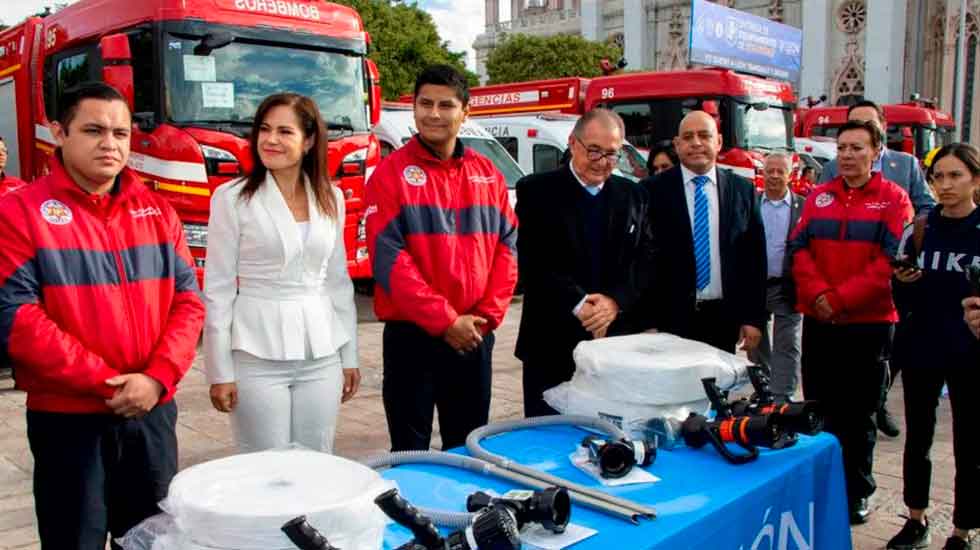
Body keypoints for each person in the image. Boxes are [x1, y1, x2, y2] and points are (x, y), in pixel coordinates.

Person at [0, 82, 204, 549]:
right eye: (93, 130)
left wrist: (155, 378)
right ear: (58, 132)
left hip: (151, 412)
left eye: (120, 133)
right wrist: (107, 383)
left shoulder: (157, 210)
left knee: (152, 538)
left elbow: (188, 302)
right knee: (75, 537)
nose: (109, 144)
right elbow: (17, 315)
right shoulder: (18, 213)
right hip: (69, 421)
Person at [365, 65, 518, 451]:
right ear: (414, 108)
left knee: (468, 447)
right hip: (411, 338)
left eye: (446, 105)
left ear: (465, 111)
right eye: (425, 103)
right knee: (410, 450)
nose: (434, 113)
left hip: (474, 335)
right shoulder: (390, 174)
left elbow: (508, 249)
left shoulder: (489, 174)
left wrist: (486, 319)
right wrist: (445, 320)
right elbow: (389, 261)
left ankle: (463, 513)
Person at [203, 93, 359, 453]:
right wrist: (219, 371)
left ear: (309, 141)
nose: (270, 140)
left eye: (284, 131)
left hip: (321, 354)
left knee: (317, 459)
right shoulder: (232, 198)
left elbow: (337, 280)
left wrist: (348, 356)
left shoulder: (330, 197)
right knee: (264, 469)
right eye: (264, 129)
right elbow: (219, 289)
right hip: (256, 355)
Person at [789, 119, 914, 525]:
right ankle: (819, 487)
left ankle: (856, 491)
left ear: (877, 152)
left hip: (869, 324)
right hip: (821, 323)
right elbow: (800, 251)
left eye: (857, 148)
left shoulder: (894, 200)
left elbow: (889, 263)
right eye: (842, 147)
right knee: (819, 410)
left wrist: (839, 299)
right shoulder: (818, 197)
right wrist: (820, 297)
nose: (847, 155)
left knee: (859, 416)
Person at [515, 109, 653, 417]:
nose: (602, 161)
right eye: (593, 150)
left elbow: (645, 259)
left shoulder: (633, 195)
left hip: (612, 342)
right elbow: (533, 260)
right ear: (573, 143)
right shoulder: (536, 191)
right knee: (544, 443)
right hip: (551, 342)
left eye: (611, 154)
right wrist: (580, 305)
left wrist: (615, 302)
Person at [819, 99, 935, 438]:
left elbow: (926, 207)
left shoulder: (905, 167)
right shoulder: (831, 170)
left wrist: (902, 230)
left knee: (880, 367)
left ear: (880, 133)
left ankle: (879, 402)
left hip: (886, 286)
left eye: (866, 127)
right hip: (837, 295)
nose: (849, 152)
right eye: (846, 140)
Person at [886, 143, 980, 550]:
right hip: (923, 348)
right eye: (938, 176)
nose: (945, 185)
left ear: (975, 179)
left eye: (955, 175)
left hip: (971, 353)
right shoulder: (921, 228)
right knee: (918, 438)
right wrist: (902, 283)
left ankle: (962, 530)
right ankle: (916, 518)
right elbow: (902, 293)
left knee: (970, 443)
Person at [638, 111, 766, 353]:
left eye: (704, 135)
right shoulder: (650, 192)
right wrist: (646, 320)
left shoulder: (742, 192)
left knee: (715, 390)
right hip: (668, 321)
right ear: (677, 145)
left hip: (723, 321)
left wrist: (753, 318)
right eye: (688, 137)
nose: (696, 143)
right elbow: (642, 259)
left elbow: (754, 259)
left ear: (718, 142)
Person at [747, 153, 805, 401]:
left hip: (788, 285)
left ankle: (783, 395)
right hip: (757, 285)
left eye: (780, 171)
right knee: (756, 342)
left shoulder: (803, 206)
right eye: (769, 171)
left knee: (787, 342)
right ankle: (766, 389)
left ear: (790, 175)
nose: (773, 176)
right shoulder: (752, 204)